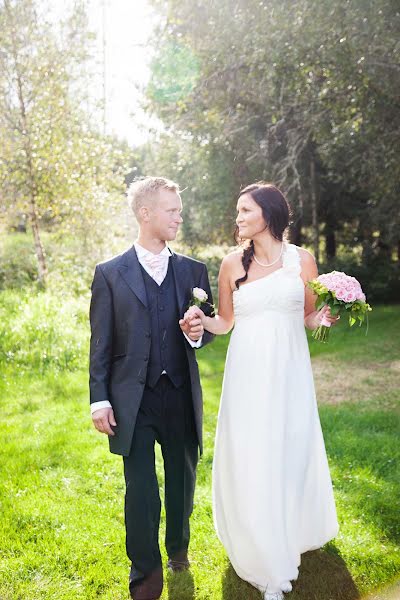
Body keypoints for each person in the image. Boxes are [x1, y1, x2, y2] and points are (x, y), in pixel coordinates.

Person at [184, 183, 339, 600]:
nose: (238, 217)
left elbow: (307, 316)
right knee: (254, 450)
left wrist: (323, 318)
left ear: (268, 214)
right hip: (247, 372)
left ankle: (292, 525)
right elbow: (227, 322)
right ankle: (261, 546)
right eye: (237, 211)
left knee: (289, 444)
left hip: (289, 370)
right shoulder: (232, 263)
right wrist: (200, 321)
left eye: (245, 210)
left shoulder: (302, 260)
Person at [89, 176, 214, 600]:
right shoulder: (109, 273)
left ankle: (178, 548)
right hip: (132, 399)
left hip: (179, 393)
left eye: (179, 210)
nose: (179, 217)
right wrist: (99, 399)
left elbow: (207, 330)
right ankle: (145, 572)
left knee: (182, 476)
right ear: (146, 214)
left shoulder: (193, 271)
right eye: (172, 210)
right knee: (140, 486)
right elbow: (101, 342)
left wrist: (197, 332)